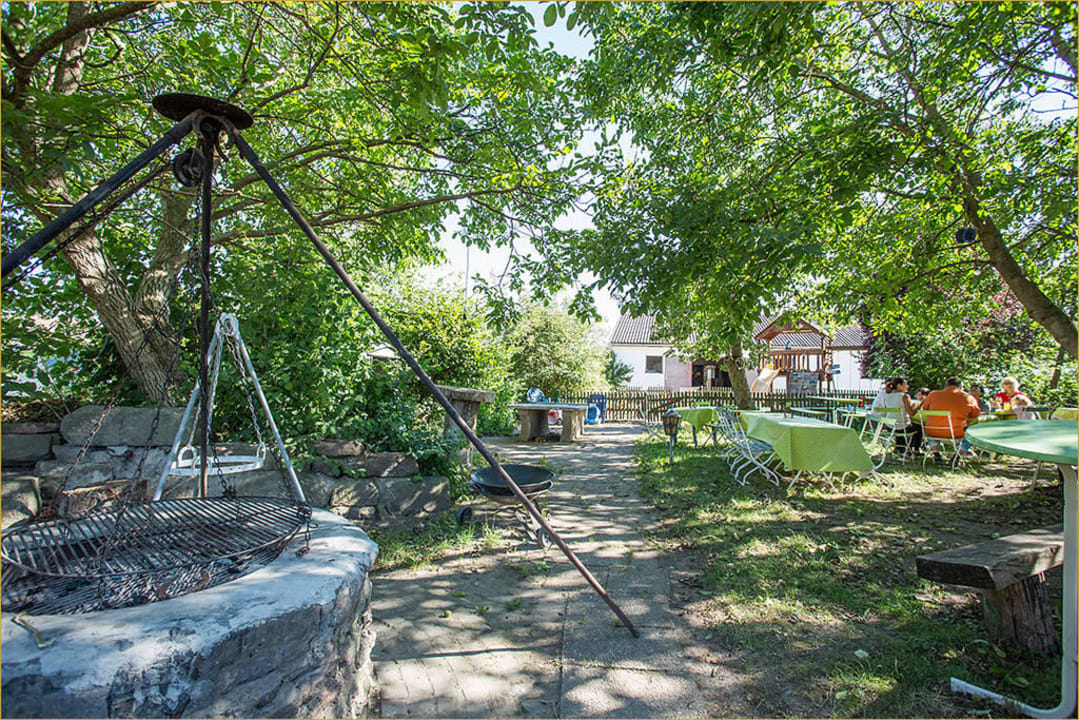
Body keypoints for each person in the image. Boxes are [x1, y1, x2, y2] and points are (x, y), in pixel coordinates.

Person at [921, 377, 981, 457]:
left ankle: (936, 453)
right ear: (960, 387)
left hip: (933, 431)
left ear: (946, 386)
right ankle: (958, 454)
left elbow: (925, 409)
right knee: (973, 432)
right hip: (956, 432)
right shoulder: (968, 397)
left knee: (932, 427)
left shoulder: (933, 394)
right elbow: (975, 414)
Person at [871, 376, 923, 455]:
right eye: (905, 384)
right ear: (899, 385)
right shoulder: (904, 396)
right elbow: (911, 413)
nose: (907, 386)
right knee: (918, 427)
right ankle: (915, 450)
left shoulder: (886, 396)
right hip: (903, 427)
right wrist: (920, 405)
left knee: (899, 424)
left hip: (890, 427)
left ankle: (900, 448)